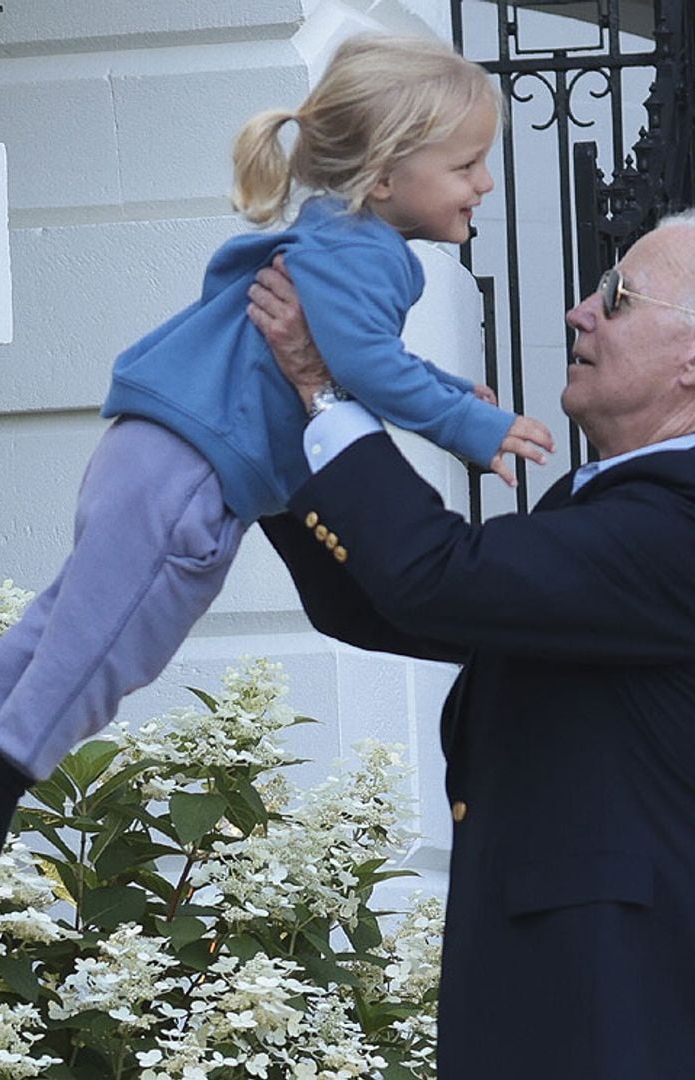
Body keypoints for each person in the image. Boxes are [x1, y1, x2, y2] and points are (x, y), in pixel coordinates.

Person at [0, 33, 555, 900]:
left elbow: (355, 352)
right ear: (388, 173)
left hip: (157, 447)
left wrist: (446, 390)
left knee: (75, 613)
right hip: (189, 470)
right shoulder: (370, 256)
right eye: (469, 165)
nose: (485, 183)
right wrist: (471, 424)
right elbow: (363, 365)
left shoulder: (335, 237)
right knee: (112, 642)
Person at [247, 210, 695, 1078]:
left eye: (619, 296)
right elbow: (403, 608)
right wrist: (274, 441)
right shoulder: (615, 502)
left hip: (625, 1009)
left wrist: (325, 392)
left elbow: (440, 579)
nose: (579, 310)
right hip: (567, 995)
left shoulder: (676, 521)